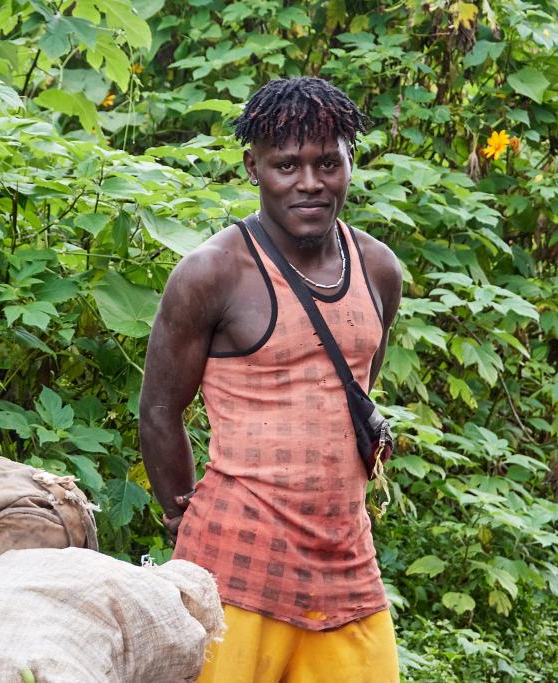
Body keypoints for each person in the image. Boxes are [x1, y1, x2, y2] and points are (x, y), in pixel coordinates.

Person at [139, 76, 403, 682]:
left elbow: (355, 391)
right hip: (236, 566)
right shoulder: (212, 273)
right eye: (287, 165)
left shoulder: (378, 269)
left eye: (326, 163)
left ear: (350, 162)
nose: (309, 184)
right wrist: (182, 515)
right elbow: (158, 409)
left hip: (346, 563)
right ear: (252, 166)